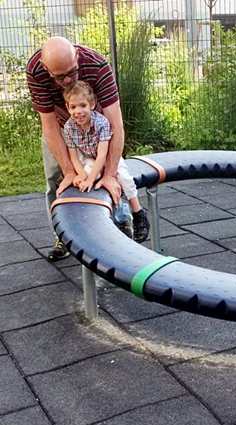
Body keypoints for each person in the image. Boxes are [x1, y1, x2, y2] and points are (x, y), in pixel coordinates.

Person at [26, 36, 129, 261]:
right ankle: (63, 236)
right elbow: (49, 125)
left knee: (108, 174)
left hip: (95, 125)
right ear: (46, 68)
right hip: (62, 125)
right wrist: (69, 170)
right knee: (55, 179)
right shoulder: (35, 70)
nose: (67, 80)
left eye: (72, 72)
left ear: (77, 56)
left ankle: (119, 226)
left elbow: (116, 124)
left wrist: (109, 173)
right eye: (59, 76)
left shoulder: (97, 65)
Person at [62, 81, 149, 242]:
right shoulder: (68, 127)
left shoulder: (101, 123)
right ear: (68, 108)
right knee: (86, 180)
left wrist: (91, 178)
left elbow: (102, 156)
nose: (78, 111)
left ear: (92, 104)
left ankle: (138, 212)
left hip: (107, 156)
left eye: (82, 105)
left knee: (123, 177)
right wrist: (82, 175)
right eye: (73, 107)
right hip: (88, 157)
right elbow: (73, 156)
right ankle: (98, 220)